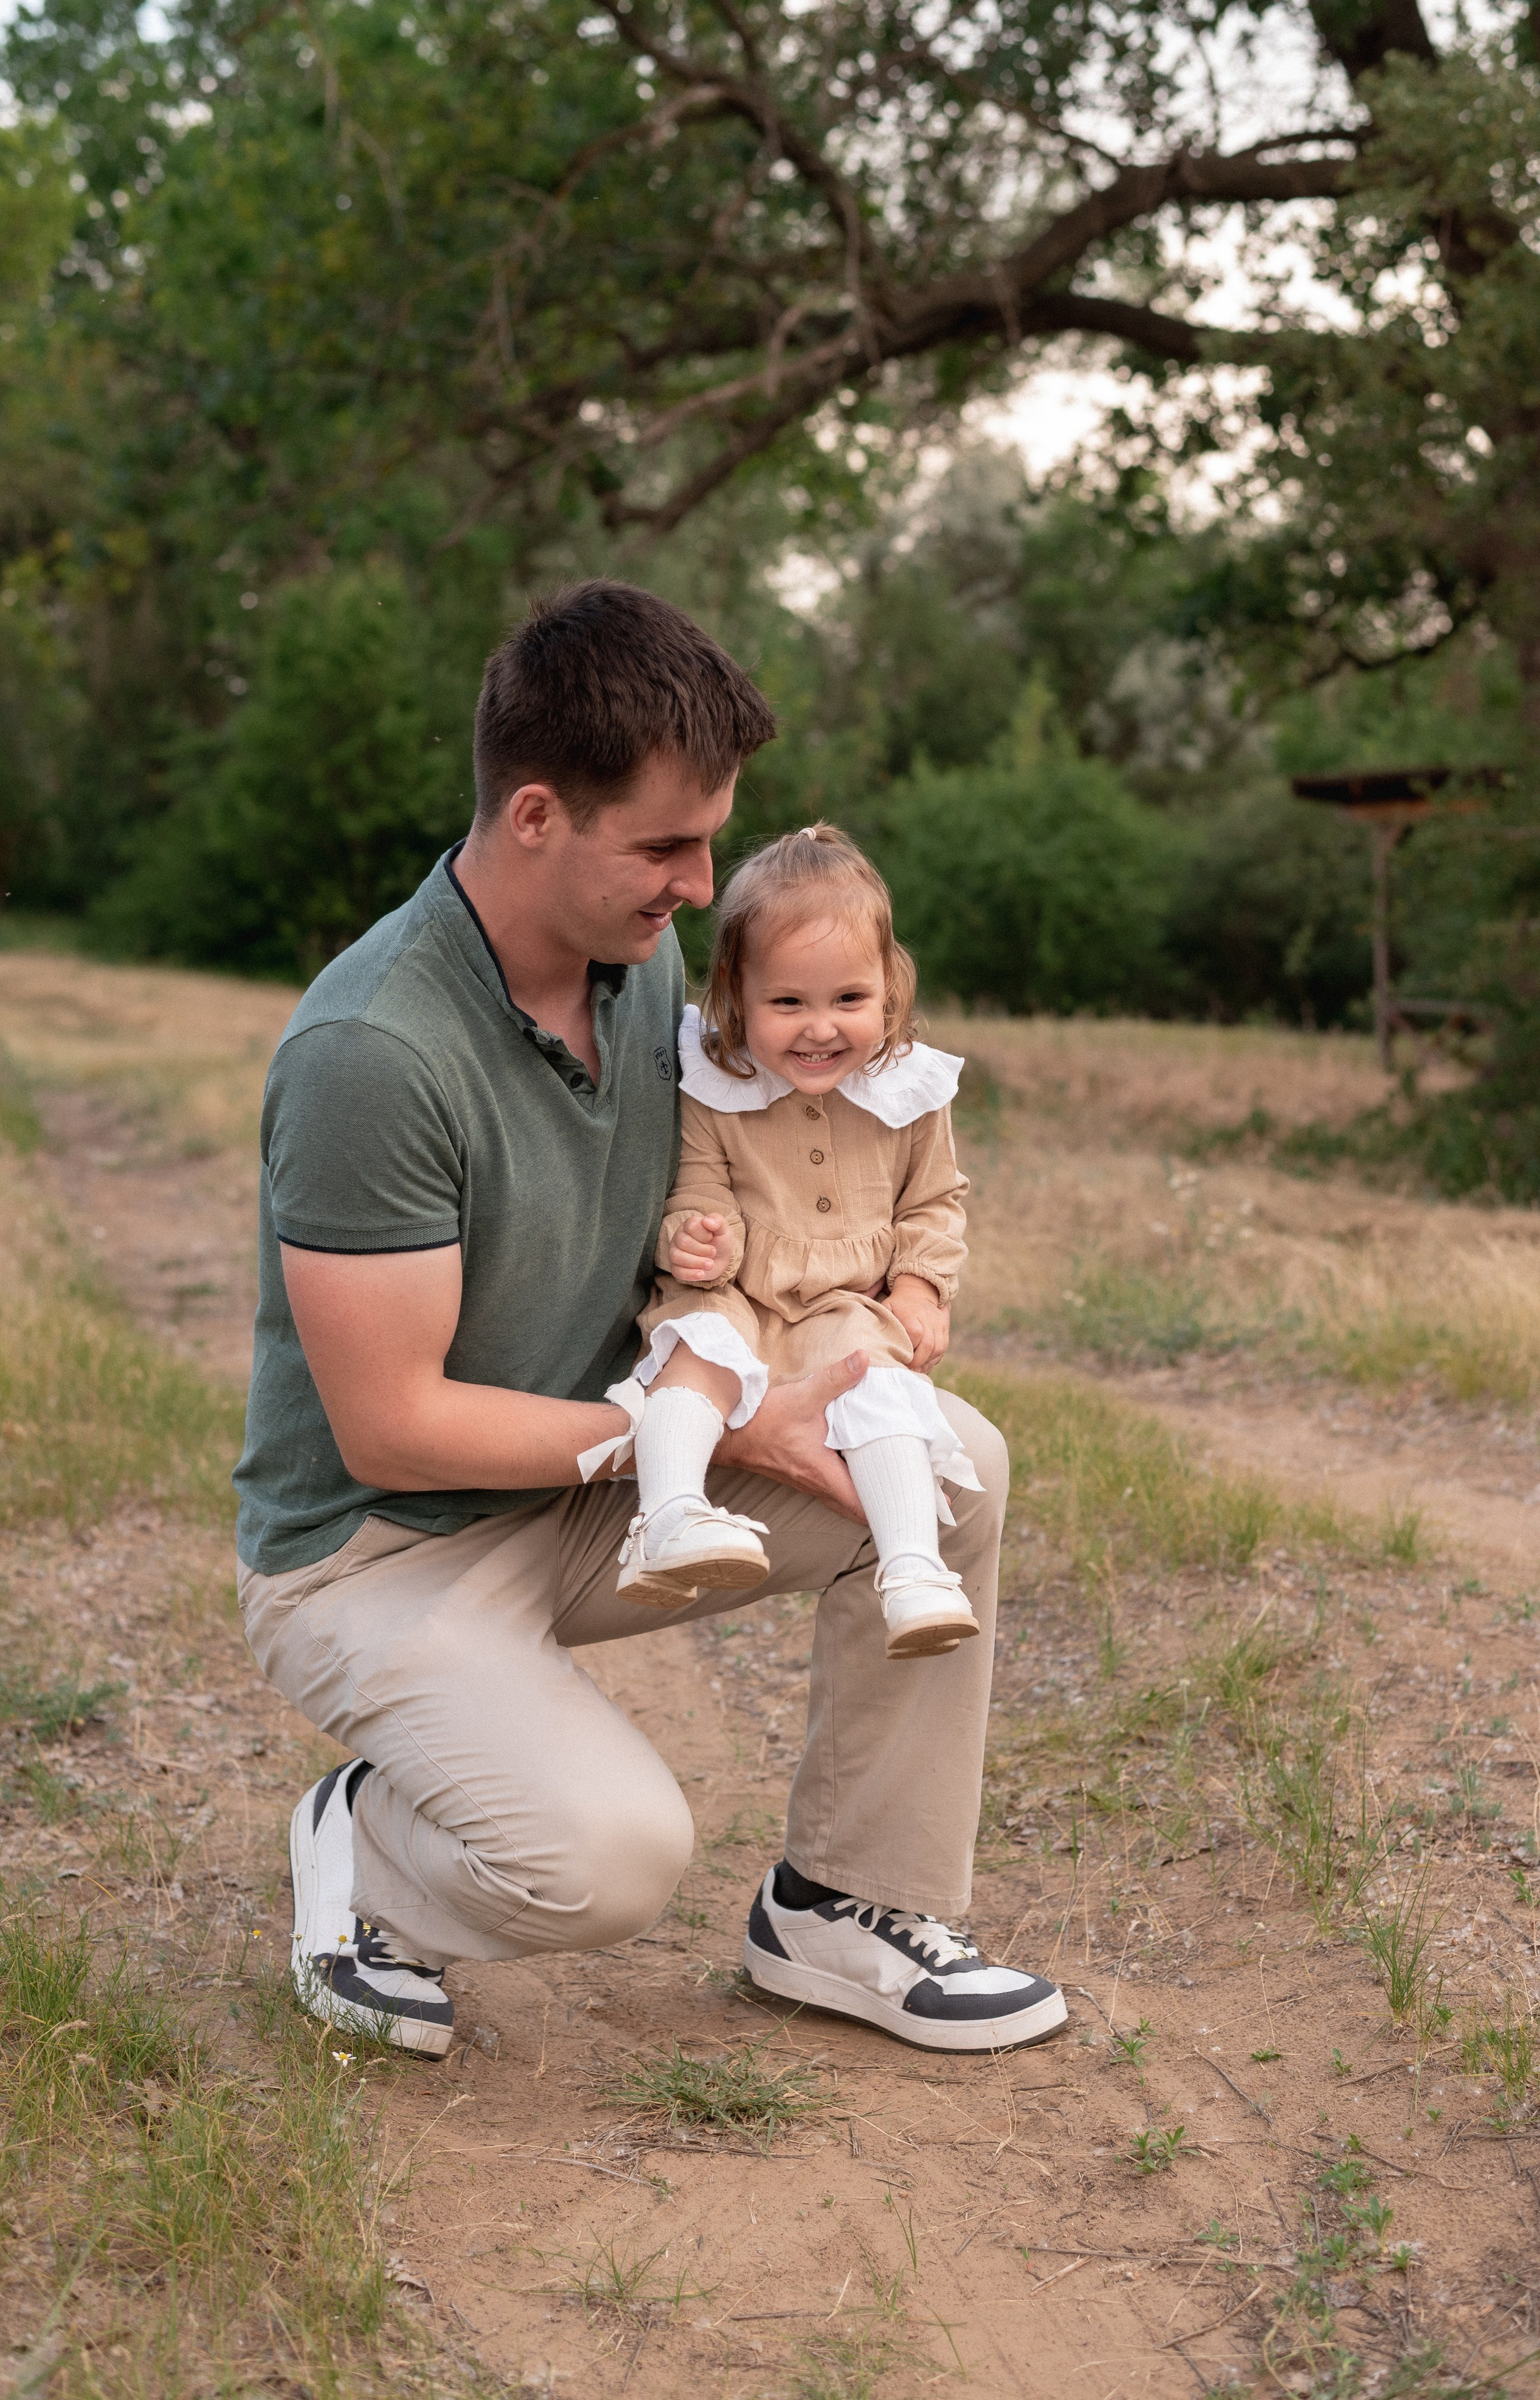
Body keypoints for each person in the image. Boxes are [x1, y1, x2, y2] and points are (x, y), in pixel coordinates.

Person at [233, 579, 1068, 2061]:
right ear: (538, 813)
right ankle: (363, 1848)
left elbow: (720, 1224)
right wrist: (726, 1424)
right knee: (609, 1860)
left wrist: (856, 1310)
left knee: (946, 1462)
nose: (699, 880)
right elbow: (393, 1422)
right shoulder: (373, 1052)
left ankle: (843, 1905)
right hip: (381, 1550)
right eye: (667, 844)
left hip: (578, 1483)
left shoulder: (643, 969)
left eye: (710, 836)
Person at [596, 824, 984, 1662]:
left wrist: (919, 1286)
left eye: (849, 1000)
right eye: (788, 1004)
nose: (819, 1029)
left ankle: (913, 1568)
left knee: (876, 1378)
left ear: (889, 985)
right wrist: (693, 1237)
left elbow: (935, 1201)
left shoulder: (907, 1087)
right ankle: (667, 1516)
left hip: (842, 1300)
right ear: (739, 992)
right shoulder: (715, 1076)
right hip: (735, 1283)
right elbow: (695, 1184)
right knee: (696, 1344)